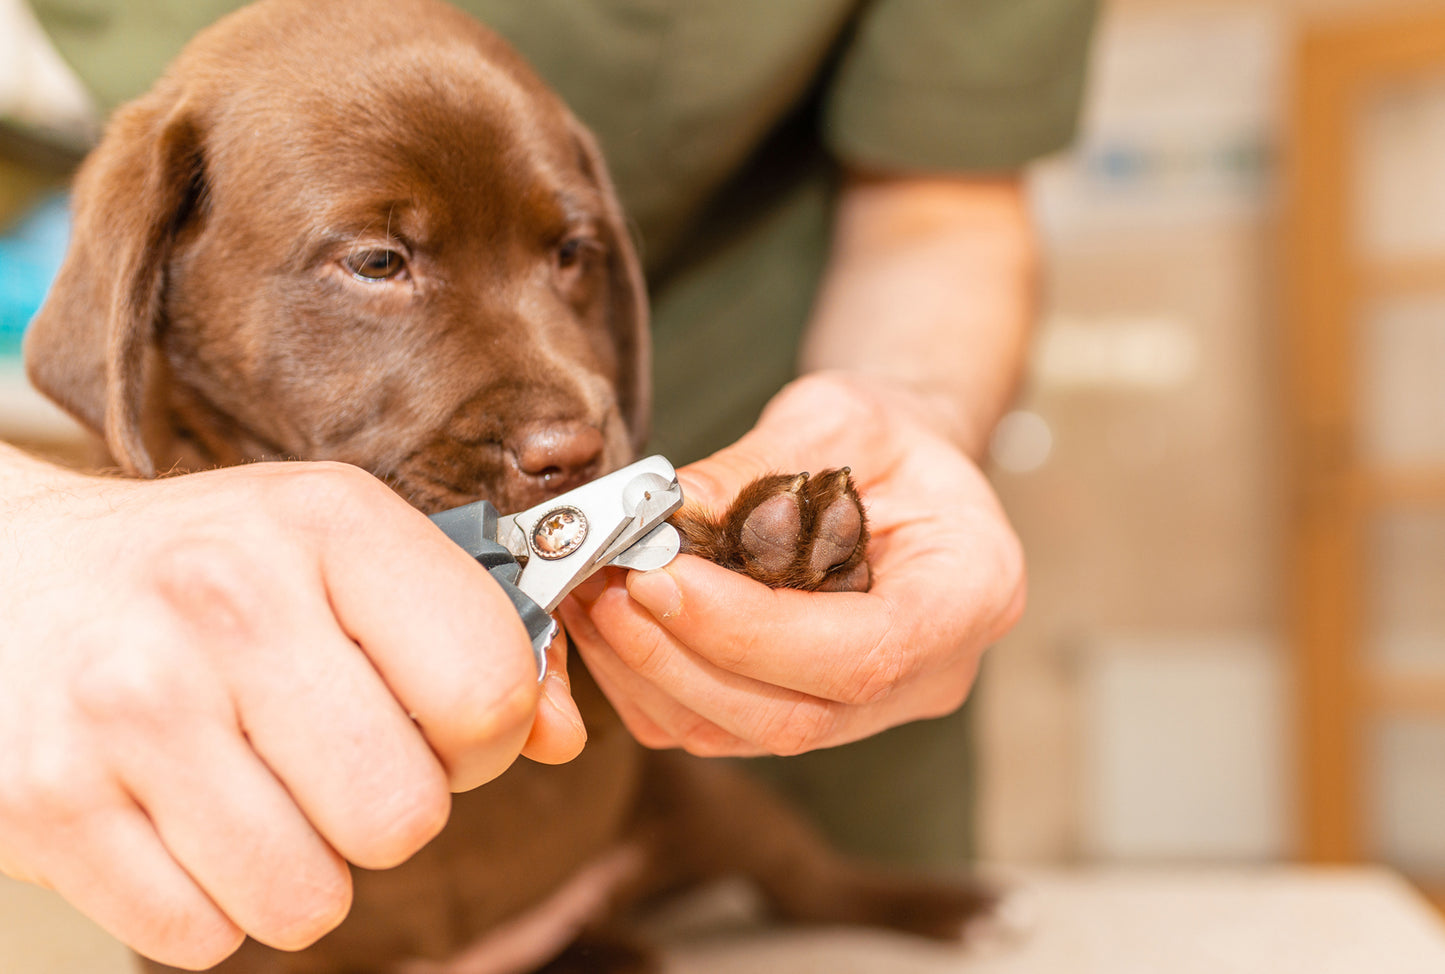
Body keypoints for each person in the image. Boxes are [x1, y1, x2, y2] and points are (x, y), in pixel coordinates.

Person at [1, 0, 1097, 967]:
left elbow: (941, 200)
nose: (561, 410)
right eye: (380, 262)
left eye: (566, 255)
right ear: (148, 270)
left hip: (676, 761)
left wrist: (902, 416)